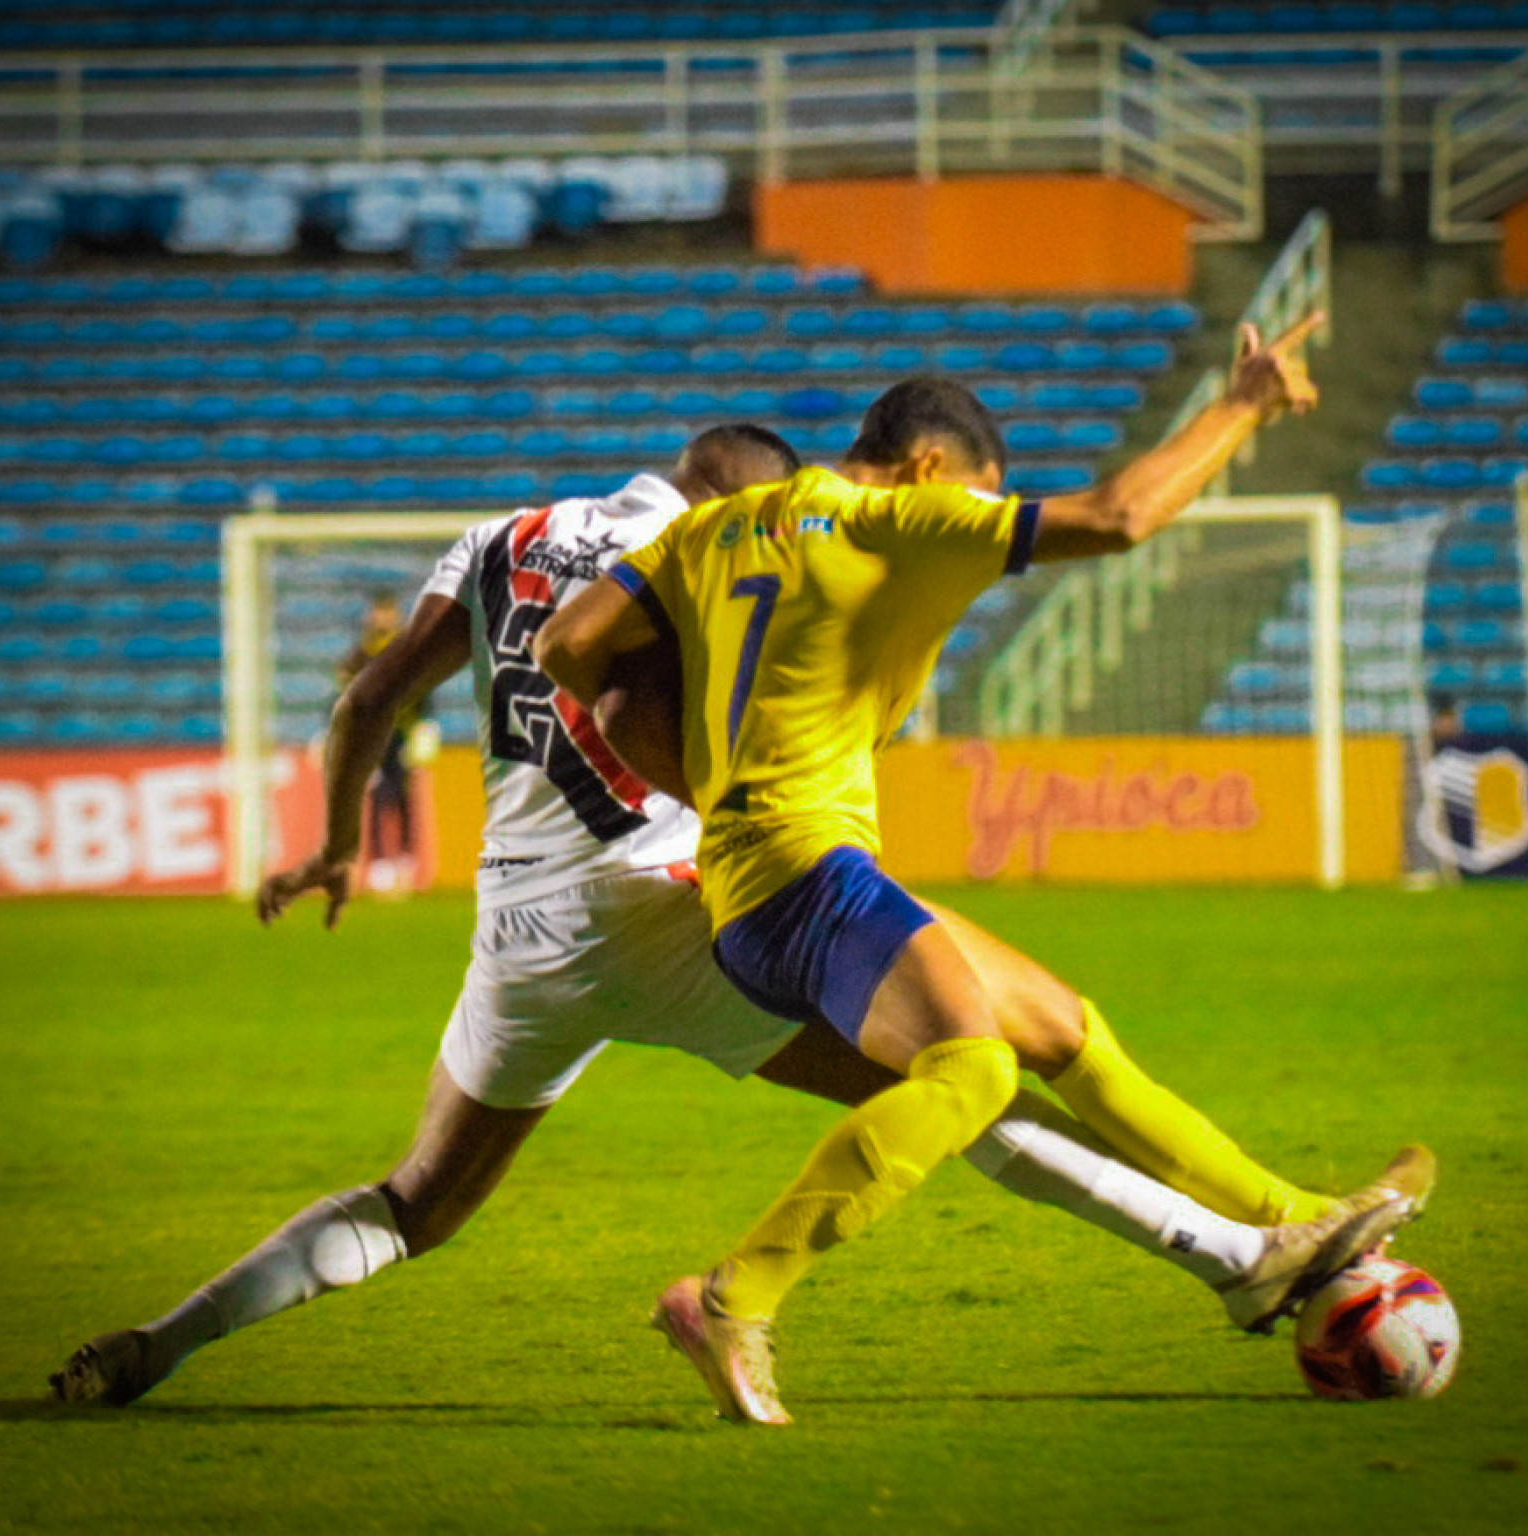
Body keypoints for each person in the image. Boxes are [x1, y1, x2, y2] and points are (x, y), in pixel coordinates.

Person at [49, 419, 1420, 1412]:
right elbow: (633, 699)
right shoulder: (712, 542)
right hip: (677, 903)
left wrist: (339, 844)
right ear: (749, 486)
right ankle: (1242, 1251)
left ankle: (152, 1350)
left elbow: (367, 703)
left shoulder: (503, 538)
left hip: (518, 942)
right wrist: (738, 786)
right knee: (965, 1073)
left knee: (415, 1203)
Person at [536, 313, 1431, 1425]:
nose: (972, 517)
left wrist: (703, 782)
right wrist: (1242, 403)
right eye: (974, 493)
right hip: (804, 875)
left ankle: (1290, 1216)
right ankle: (734, 1296)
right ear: (927, 467)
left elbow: (569, 652)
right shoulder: (894, 516)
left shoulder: (707, 535)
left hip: (758, 876)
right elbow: (1119, 517)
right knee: (973, 1072)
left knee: (1062, 1028)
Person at [337, 592, 426, 893]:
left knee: (401, 795)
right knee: (376, 796)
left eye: (390, 612)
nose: (385, 618)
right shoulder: (360, 654)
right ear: (372, 615)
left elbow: (424, 690)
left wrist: (426, 727)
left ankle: (405, 858)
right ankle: (378, 863)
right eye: (381, 612)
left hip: (401, 734)